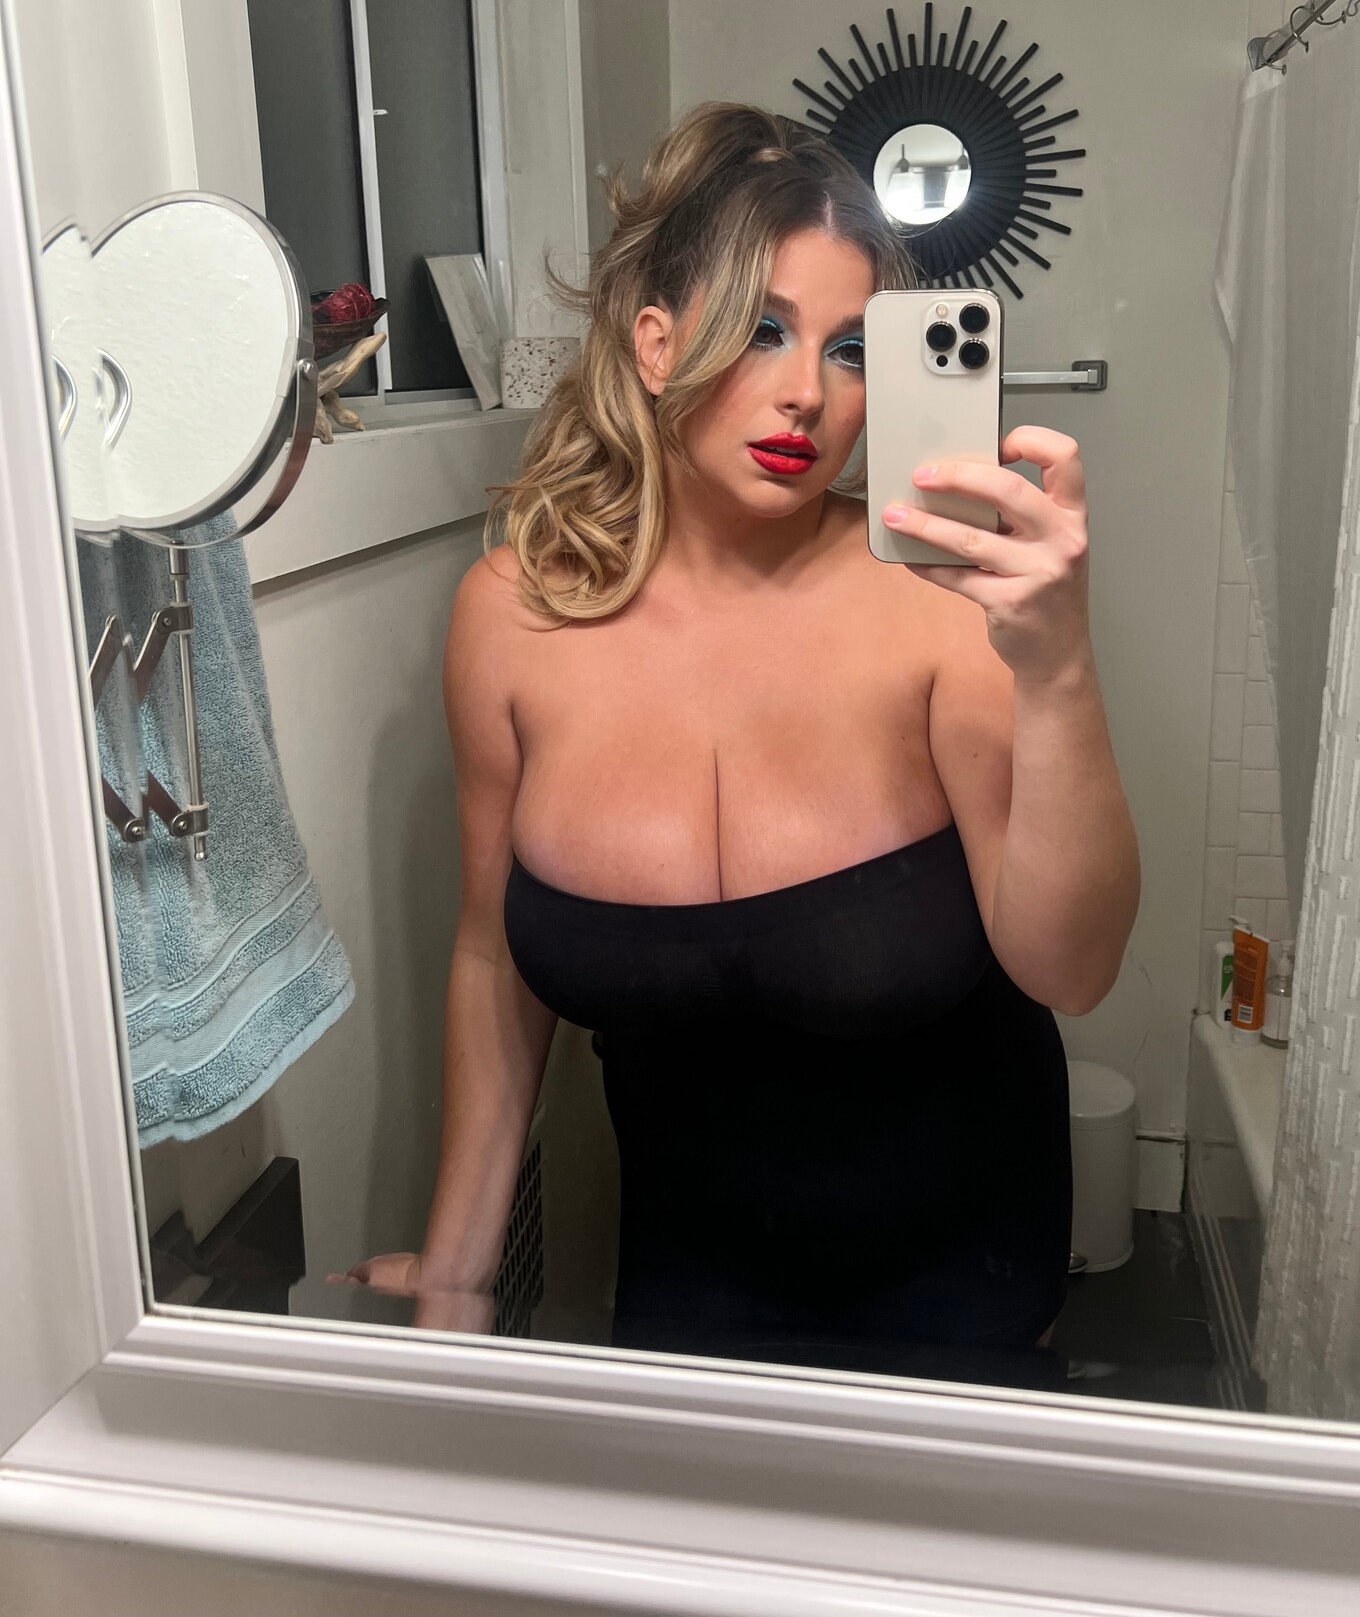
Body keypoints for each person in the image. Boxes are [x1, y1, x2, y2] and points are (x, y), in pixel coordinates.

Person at [339, 101, 1140, 1388]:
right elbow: (493, 957)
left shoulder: (941, 607)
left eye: (850, 349)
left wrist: (1057, 669)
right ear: (656, 343)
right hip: (682, 1292)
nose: (806, 392)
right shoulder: (512, 618)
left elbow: (1075, 968)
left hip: (965, 1292)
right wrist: (457, 1280)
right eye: (763, 329)